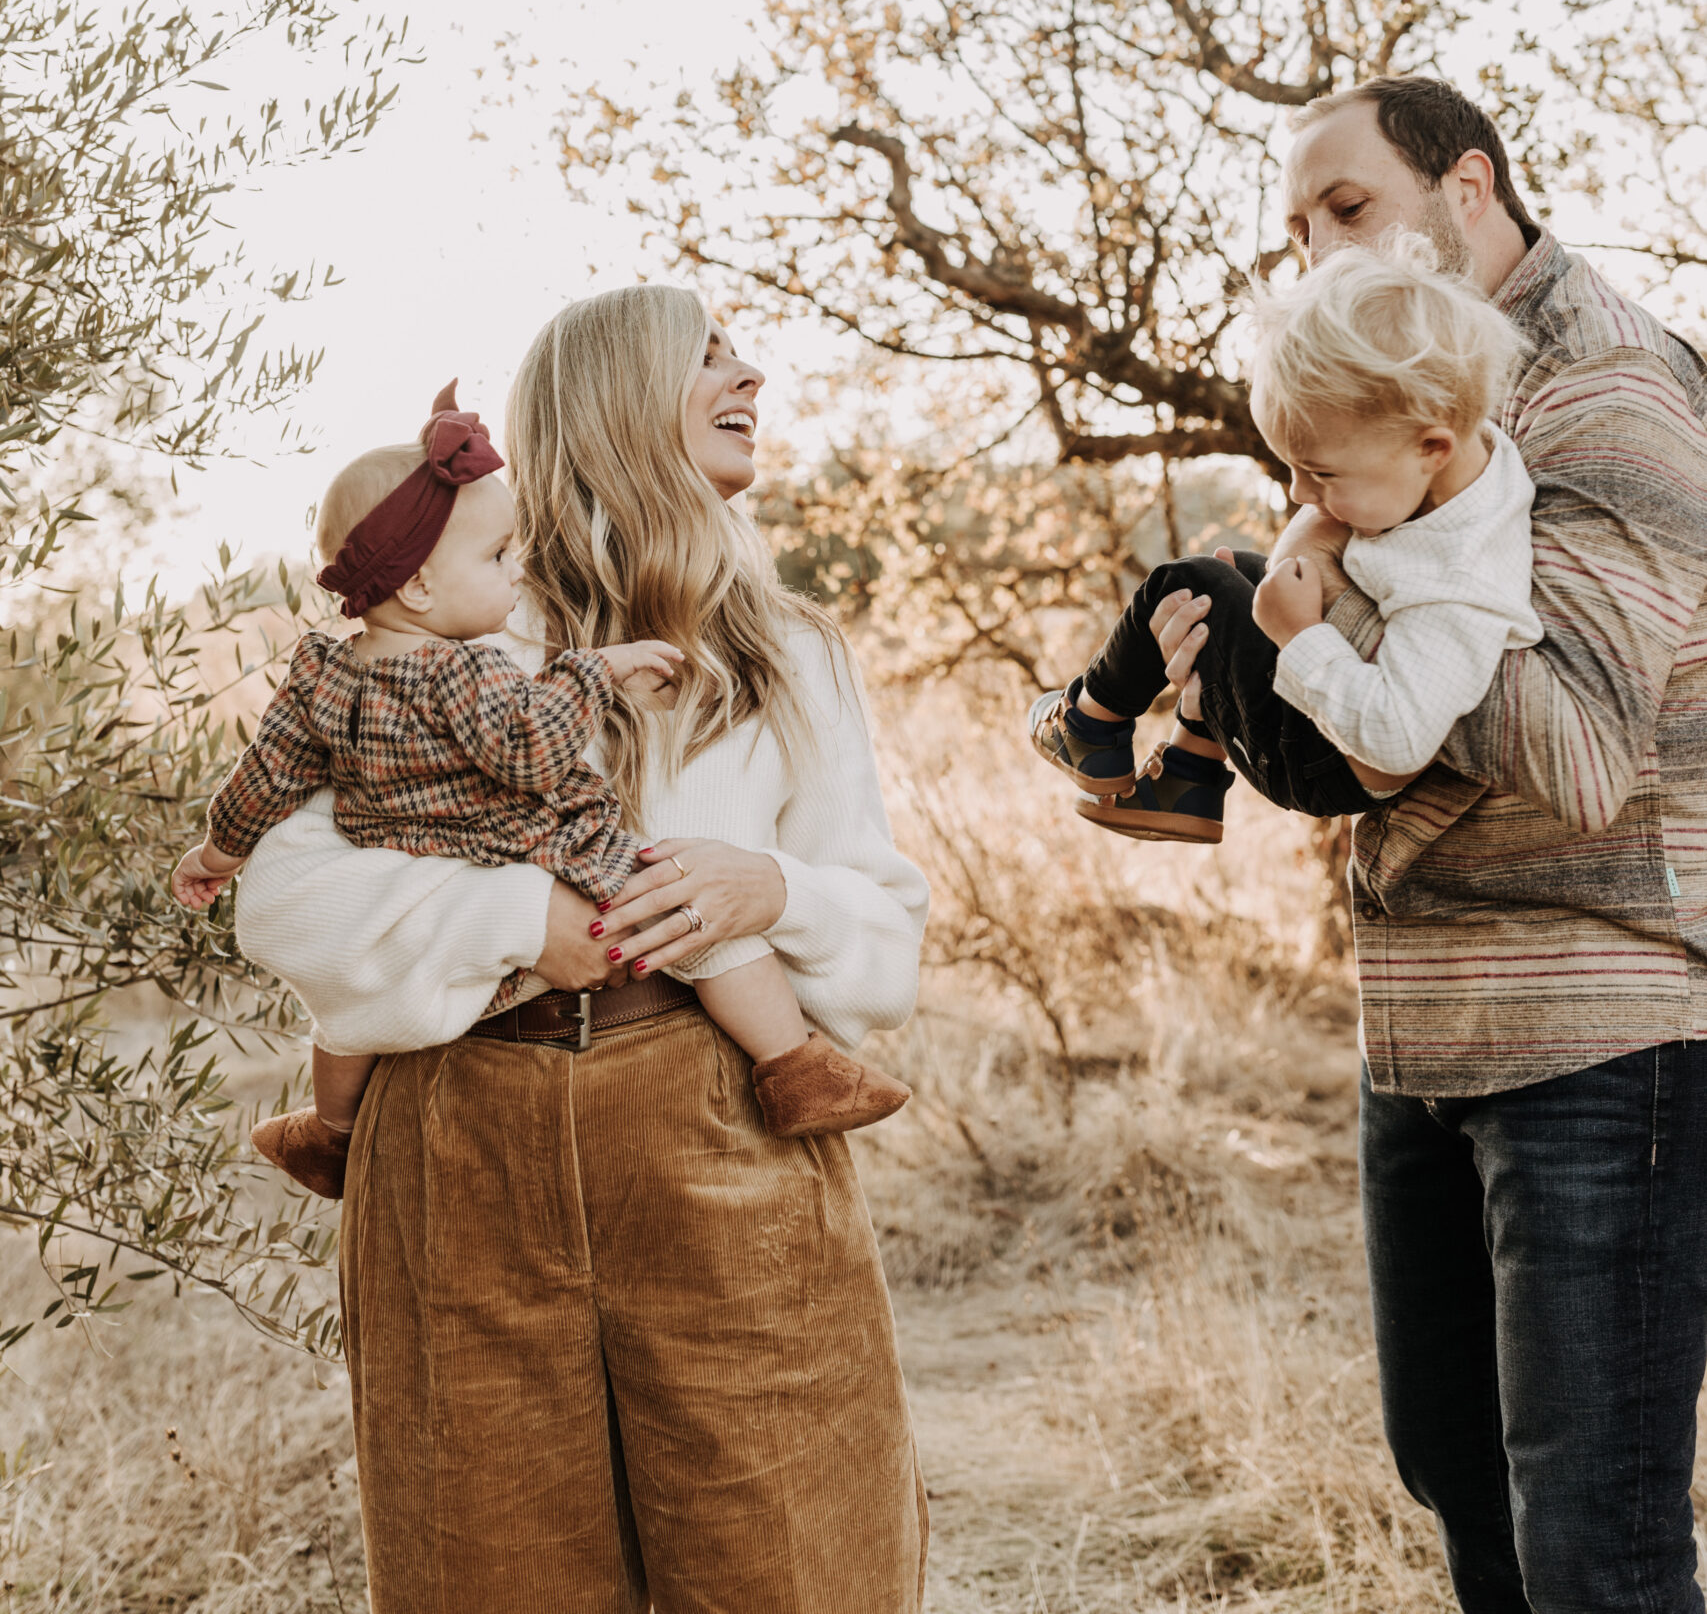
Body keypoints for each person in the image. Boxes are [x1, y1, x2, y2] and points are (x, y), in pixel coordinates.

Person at [227, 287, 931, 1614]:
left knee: (794, 1569)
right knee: (486, 1577)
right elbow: (285, 902)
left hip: (722, 1142)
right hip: (457, 1147)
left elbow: (883, 955)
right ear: (614, 394)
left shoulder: (788, 655)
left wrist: (764, 889)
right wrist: (518, 927)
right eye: (709, 355)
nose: (752, 375)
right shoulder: (449, 622)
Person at [1131, 77, 1707, 1614]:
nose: (1317, 253)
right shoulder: (1380, 395)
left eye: (1347, 210)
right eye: (1293, 230)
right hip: (1426, 1024)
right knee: (1462, 1491)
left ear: (1465, 190)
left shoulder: (1602, 395)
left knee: (1596, 1546)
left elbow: (1584, 751)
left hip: (1592, 1035)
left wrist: (1357, 616)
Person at [172, 385, 904, 1196]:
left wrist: (215, 851)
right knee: (680, 916)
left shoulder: (325, 671)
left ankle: (329, 1133)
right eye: (702, 354)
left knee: (350, 1026)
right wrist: (594, 677)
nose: (749, 378)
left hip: (704, 1133)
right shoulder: (474, 651)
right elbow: (517, 753)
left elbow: (261, 780)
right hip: (476, 1079)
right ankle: (795, 1068)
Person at [1029, 238, 1541, 847]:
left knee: (1193, 585)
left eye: (1322, 473)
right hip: (1330, 730)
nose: (1301, 494)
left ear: (1431, 448)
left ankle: (1090, 721)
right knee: (1242, 579)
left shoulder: (1459, 585)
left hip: (1325, 761)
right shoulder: (1466, 461)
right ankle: (1188, 777)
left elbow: (1397, 737)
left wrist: (1298, 636)